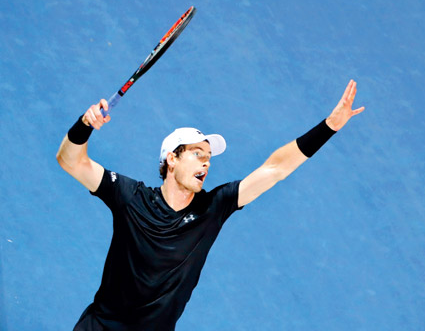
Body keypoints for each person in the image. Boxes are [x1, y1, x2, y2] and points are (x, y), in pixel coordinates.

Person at [56, 80, 364, 331]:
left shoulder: (214, 207)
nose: (206, 162)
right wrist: (85, 124)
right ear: (171, 160)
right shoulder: (129, 197)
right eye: (197, 154)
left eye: (208, 157)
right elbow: (70, 160)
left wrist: (329, 126)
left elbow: (276, 169)